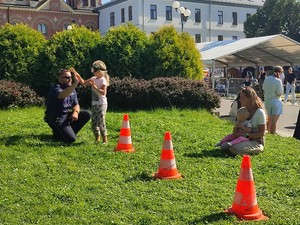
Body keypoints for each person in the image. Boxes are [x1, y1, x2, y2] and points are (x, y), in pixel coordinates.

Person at [44, 69, 91, 143]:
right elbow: (62, 95)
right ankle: (61, 133)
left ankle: (63, 133)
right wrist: (75, 84)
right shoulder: (56, 88)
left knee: (86, 114)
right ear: (59, 78)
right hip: (56, 118)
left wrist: (75, 112)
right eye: (66, 77)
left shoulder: (71, 89)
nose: (69, 79)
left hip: (66, 116)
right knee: (71, 140)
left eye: (70, 77)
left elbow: (76, 104)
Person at [71, 60, 109, 143]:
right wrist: (76, 74)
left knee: (101, 122)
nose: (92, 72)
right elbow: (83, 82)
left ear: (99, 71)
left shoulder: (103, 80)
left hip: (101, 104)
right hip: (95, 104)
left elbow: (103, 93)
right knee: (94, 123)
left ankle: (105, 140)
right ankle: (97, 139)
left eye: (93, 70)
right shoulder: (93, 78)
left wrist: (94, 86)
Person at [220, 87, 266, 155]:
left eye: (242, 97)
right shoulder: (243, 110)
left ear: (249, 98)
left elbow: (261, 134)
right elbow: (237, 126)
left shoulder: (259, 112)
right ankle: (241, 150)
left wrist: (246, 135)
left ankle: (254, 149)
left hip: (256, 141)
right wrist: (236, 130)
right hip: (241, 139)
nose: (239, 100)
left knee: (234, 148)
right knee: (224, 146)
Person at [263, 66, 284, 134]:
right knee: (274, 121)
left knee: (269, 118)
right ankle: (273, 133)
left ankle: (269, 132)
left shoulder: (267, 79)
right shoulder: (278, 81)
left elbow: (263, 89)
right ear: (279, 73)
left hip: (267, 101)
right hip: (276, 101)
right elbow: (279, 93)